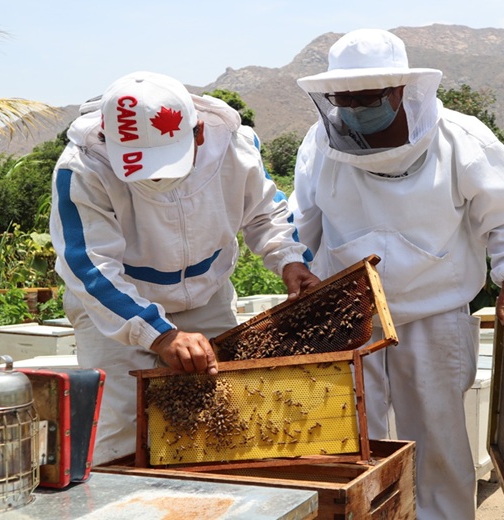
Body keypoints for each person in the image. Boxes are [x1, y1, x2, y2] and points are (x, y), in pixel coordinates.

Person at [290, 29, 504, 519]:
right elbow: (302, 222)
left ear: (402, 91)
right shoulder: (319, 143)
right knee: (354, 442)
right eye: (345, 101)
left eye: (368, 99)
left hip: (435, 312)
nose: (355, 110)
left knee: (439, 438)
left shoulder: (462, 138)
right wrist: (295, 265)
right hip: (348, 314)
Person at [49, 71, 319, 465]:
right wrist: (159, 335)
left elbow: (265, 213)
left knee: (225, 417)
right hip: (117, 309)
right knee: (122, 432)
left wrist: (289, 259)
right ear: (108, 140)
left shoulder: (235, 147)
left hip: (206, 297)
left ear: (197, 134)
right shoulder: (83, 169)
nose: (156, 175)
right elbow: (91, 267)